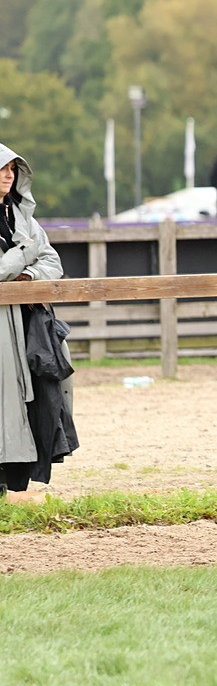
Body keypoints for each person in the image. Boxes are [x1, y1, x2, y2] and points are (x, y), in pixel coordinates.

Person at [0, 143, 66, 500]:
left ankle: (12, 479)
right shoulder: (25, 234)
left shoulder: (23, 217)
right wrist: (25, 253)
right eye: (2, 169)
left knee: (34, 399)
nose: (8, 176)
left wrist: (28, 277)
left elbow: (52, 261)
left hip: (28, 325)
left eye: (12, 169)